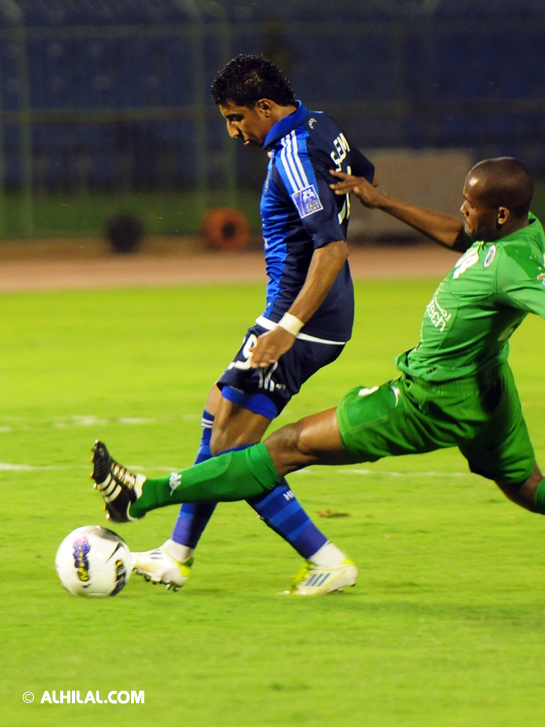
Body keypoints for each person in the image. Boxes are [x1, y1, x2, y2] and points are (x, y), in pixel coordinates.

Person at [92, 157, 545, 593]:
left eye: (472, 204)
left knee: (284, 446)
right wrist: (383, 203)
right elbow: (459, 236)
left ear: (503, 213)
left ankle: (145, 495)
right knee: (528, 486)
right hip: (489, 390)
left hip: (428, 400)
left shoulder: (513, 266)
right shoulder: (521, 231)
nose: (463, 211)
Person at [130, 54, 376, 596]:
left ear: (265, 107)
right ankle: (175, 553)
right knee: (217, 411)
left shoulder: (290, 153)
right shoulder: (321, 125)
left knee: (231, 451)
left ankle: (326, 559)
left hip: (303, 316)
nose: (233, 131)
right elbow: (363, 173)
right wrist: (360, 191)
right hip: (310, 312)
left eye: (237, 117)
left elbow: (331, 250)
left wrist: (287, 326)